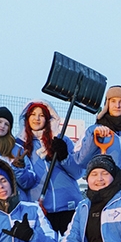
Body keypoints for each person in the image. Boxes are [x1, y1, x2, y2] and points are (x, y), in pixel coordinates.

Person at [17, 100, 84, 233]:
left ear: (48, 119)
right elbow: (22, 181)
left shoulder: (61, 140)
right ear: (26, 118)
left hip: (69, 206)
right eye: (33, 114)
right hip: (41, 210)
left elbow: (78, 172)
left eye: (41, 115)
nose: (37, 118)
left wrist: (65, 157)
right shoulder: (20, 146)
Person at [73, 85, 121, 193]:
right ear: (107, 104)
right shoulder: (93, 131)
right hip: (103, 196)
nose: (117, 105)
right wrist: (94, 139)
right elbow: (80, 161)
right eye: (113, 101)